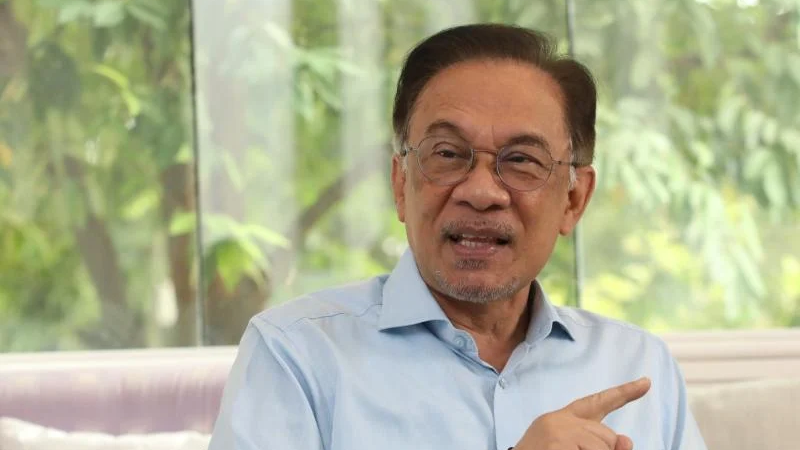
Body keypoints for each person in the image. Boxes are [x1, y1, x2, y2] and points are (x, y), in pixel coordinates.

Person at [209, 24, 708, 450]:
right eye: (447, 154)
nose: (481, 192)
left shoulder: (638, 367)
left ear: (574, 200)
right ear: (401, 184)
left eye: (521, 160)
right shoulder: (297, 353)